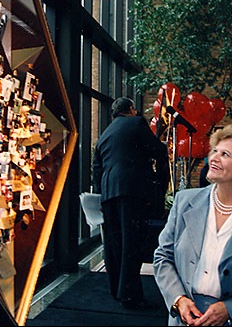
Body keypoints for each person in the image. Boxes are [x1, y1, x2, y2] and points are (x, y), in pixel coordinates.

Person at [154, 123, 232, 326]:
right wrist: (179, 300)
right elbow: (162, 257)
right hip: (185, 320)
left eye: (225, 154)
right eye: (215, 151)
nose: (213, 158)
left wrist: (231, 307)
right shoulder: (184, 202)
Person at [92, 96, 170, 309]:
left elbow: (96, 169)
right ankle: (130, 295)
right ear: (132, 110)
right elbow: (157, 150)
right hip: (132, 189)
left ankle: (116, 289)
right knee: (131, 242)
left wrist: (101, 194)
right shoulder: (136, 123)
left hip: (109, 192)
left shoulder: (104, 135)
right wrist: (160, 185)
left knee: (114, 243)